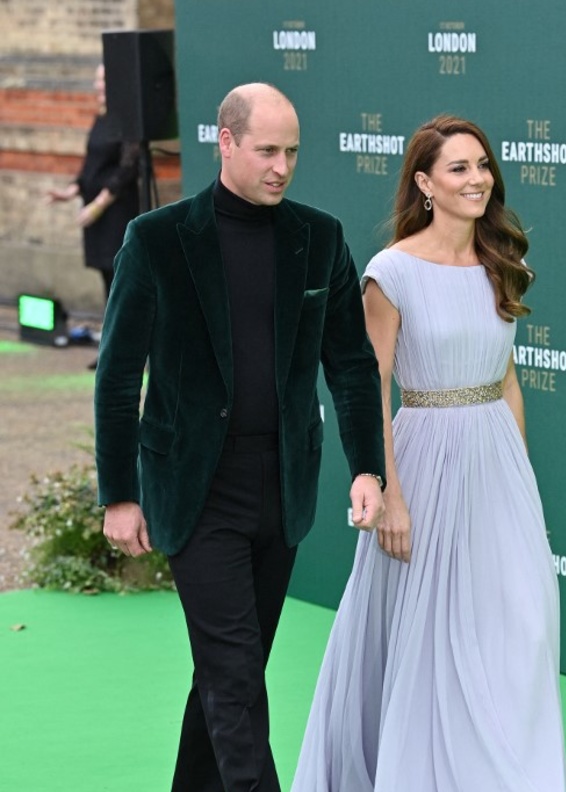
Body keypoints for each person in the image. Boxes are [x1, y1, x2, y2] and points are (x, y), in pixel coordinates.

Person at [93, 83, 386, 792]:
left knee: (233, 673)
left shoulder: (319, 238)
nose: (282, 167)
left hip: (281, 487)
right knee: (233, 677)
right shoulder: (158, 240)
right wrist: (119, 494)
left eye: (291, 152)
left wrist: (367, 468)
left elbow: (350, 363)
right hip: (196, 490)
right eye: (266, 151)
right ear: (224, 143)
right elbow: (118, 372)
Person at [292, 115, 566, 791]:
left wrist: (520, 484)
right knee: (425, 637)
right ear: (424, 183)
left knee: (519, 630)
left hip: (496, 463)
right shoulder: (392, 273)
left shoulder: (501, 262)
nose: (477, 179)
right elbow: (373, 385)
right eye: (458, 168)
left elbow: (508, 381)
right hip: (422, 460)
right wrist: (388, 492)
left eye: (482, 165)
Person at [46, 63, 139, 366]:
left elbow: (127, 168)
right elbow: (92, 165)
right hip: (94, 214)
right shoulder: (100, 118)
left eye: (103, 80)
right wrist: (71, 191)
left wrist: (100, 204)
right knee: (105, 280)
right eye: (97, 80)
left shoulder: (126, 119)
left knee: (119, 281)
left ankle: (124, 354)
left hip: (115, 213)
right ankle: (111, 350)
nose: (98, 86)